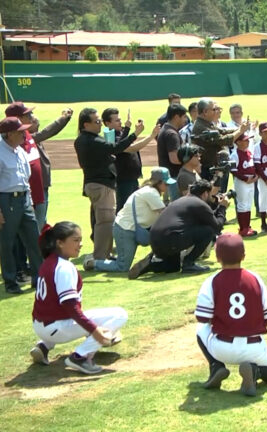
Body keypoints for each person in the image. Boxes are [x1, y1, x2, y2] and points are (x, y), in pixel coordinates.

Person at [31, 221, 127, 374]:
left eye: (80, 240)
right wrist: (95, 330)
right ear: (60, 243)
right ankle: (80, 357)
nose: (80, 244)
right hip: (56, 328)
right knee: (119, 315)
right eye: (75, 240)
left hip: (40, 326)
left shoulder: (49, 261)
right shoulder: (64, 267)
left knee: (69, 314)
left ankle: (43, 346)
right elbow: (72, 308)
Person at [194, 233, 267, 396]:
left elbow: (202, 318)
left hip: (221, 347)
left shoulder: (212, 281)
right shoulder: (255, 278)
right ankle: (254, 371)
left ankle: (216, 366)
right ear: (243, 255)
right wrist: (252, 327)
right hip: (254, 347)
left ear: (217, 257)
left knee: (200, 329)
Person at [75, 108, 150, 261]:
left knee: (105, 221)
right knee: (105, 222)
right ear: (86, 124)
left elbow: (113, 147)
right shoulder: (92, 140)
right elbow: (115, 148)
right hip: (101, 184)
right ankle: (100, 256)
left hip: (96, 183)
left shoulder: (85, 139)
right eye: (96, 122)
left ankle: (105, 253)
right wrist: (134, 134)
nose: (100, 125)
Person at [129, 179, 229, 278]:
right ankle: (189, 263)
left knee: (173, 267)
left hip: (156, 242)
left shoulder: (182, 201)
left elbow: (208, 218)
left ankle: (151, 265)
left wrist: (219, 208)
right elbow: (217, 226)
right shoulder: (199, 203)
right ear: (205, 194)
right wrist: (222, 207)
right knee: (208, 231)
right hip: (171, 240)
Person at [84, 168, 173, 273]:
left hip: (130, 229)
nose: (168, 186)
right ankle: (93, 263)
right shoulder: (151, 193)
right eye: (166, 184)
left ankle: (153, 260)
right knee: (122, 266)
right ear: (158, 182)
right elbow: (165, 214)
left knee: (124, 260)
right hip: (125, 230)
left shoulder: (150, 191)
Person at [5, 102, 72, 229]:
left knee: (39, 225)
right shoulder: (15, 139)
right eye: (28, 114)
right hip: (30, 193)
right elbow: (46, 133)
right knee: (34, 228)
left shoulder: (27, 135)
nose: (31, 117)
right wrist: (63, 119)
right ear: (17, 118)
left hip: (40, 189)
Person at [0, 117, 44, 294]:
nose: (24, 134)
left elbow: (25, 178)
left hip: (24, 199)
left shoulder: (18, 149)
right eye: (20, 132)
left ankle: (39, 279)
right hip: (6, 200)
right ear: (9, 134)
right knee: (7, 242)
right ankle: (10, 281)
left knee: (34, 239)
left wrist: (30, 202)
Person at [102, 108, 159, 212]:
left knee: (135, 207)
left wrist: (136, 130)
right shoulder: (110, 136)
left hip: (132, 177)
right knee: (124, 208)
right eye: (117, 120)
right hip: (123, 179)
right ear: (107, 123)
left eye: (120, 119)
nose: (121, 122)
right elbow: (130, 147)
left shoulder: (121, 132)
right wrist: (151, 136)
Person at [191, 99, 248, 188]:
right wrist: (240, 131)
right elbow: (222, 140)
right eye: (214, 109)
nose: (216, 112)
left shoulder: (206, 123)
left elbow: (222, 131)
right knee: (212, 197)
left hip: (215, 168)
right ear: (205, 112)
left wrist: (240, 128)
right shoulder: (201, 126)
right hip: (208, 170)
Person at [157, 103, 189, 201]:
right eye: (183, 117)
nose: (186, 120)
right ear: (176, 117)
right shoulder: (172, 134)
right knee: (179, 203)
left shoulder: (165, 129)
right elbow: (174, 159)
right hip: (175, 176)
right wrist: (189, 162)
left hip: (171, 175)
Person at [230, 134, 258, 237]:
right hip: (242, 182)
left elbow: (252, 167)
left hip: (250, 181)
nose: (247, 142)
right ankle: (243, 228)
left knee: (248, 204)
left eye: (247, 141)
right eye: (245, 141)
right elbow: (233, 170)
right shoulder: (234, 154)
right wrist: (245, 179)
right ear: (238, 142)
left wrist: (255, 176)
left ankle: (247, 226)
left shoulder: (248, 153)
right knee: (242, 205)